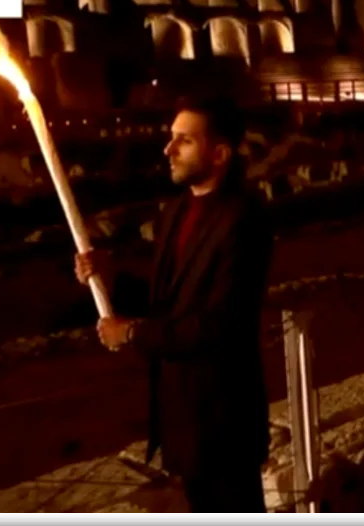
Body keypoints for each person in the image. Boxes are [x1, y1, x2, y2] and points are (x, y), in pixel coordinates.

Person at [74, 97, 274, 514]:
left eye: (184, 140)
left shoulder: (244, 220)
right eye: (171, 138)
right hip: (182, 413)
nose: (168, 150)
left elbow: (219, 326)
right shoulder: (176, 212)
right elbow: (167, 300)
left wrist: (131, 332)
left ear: (219, 154)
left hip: (223, 414)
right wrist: (110, 279)